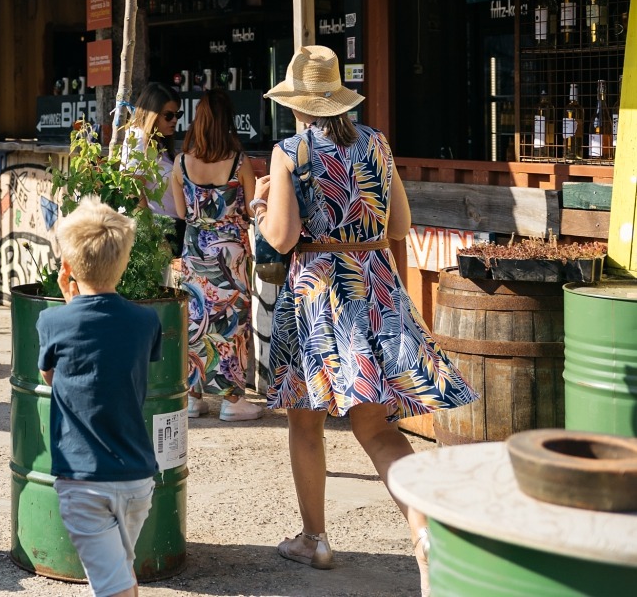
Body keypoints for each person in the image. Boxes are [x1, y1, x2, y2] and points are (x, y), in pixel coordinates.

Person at [255, 46, 476, 588]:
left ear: (297, 104)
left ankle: (315, 539)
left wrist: (260, 208)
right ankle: (424, 532)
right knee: (376, 425)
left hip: (318, 291)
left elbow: (281, 239)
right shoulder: (376, 142)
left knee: (305, 420)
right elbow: (399, 223)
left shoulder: (291, 152)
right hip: (373, 285)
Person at [38, 196, 164, 597]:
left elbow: (54, 371)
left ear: (69, 266)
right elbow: (106, 347)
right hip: (137, 478)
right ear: (124, 262)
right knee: (120, 576)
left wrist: (69, 302)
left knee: (113, 586)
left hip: (83, 482)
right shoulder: (147, 322)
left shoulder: (52, 320)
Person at [171, 89, 264, 422]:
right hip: (231, 258)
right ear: (228, 121)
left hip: (195, 255)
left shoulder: (181, 163)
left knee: (197, 322)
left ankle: (193, 397)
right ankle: (232, 400)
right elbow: (254, 209)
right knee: (232, 324)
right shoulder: (240, 162)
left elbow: (182, 212)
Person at [119, 82, 183, 244]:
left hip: (169, 227)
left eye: (178, 114)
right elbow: (133, 190)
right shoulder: (139, 138)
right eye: (169, 115)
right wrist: (149, 234)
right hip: (155, 231)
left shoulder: (160, 142)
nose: (175, 120)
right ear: (151, 115)